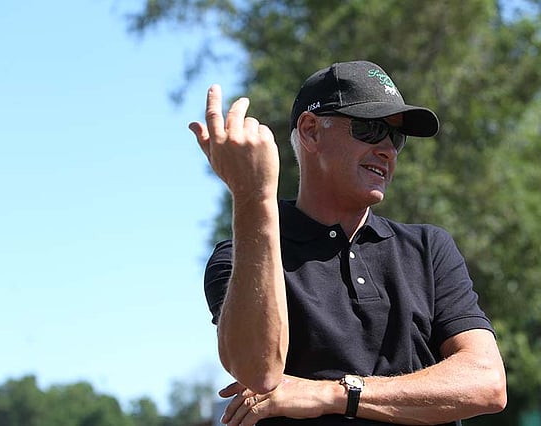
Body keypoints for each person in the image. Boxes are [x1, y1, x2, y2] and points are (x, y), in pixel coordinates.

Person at [188, 60, 507, 426]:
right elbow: (259, 372)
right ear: (310, 131)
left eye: (396, 137)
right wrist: (252, 196)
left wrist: (331, 394)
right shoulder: (239, 255)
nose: (388, 150)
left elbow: (486, 383)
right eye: (370, 128)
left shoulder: (429, 248)